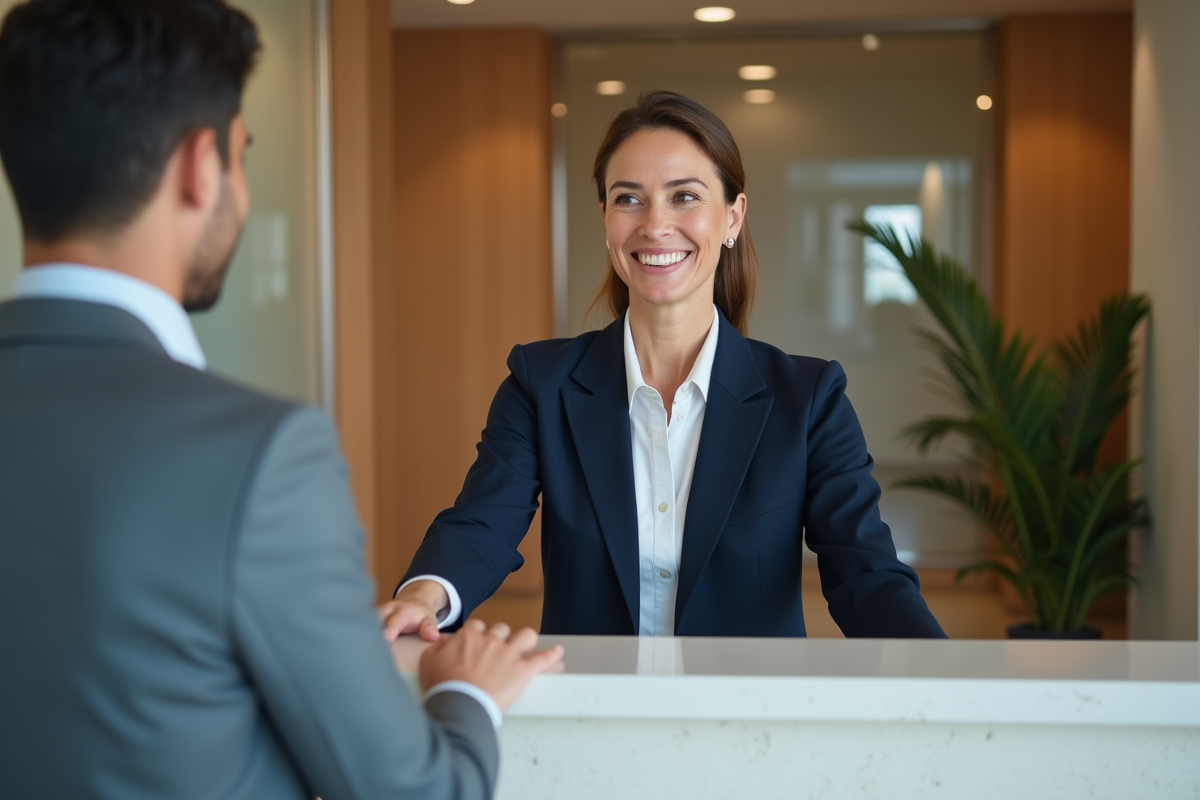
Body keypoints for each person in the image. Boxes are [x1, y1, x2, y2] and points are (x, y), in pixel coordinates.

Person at [0, 2, 562, 799]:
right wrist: (468, 694)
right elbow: (414, 792)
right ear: (203, 165)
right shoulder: (257, 454)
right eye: (244, 155)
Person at [381, 90, 946, 641]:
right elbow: (484, 521)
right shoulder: (541, 384)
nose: (654, 225)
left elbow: (864, 569)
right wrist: (422, 596)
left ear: (733, 217)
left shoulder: (809, 399)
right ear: (605, 217)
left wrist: (942, 674)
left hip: (747, 714)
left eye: (685, 196)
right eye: (628, 198)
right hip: (593, 708)